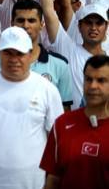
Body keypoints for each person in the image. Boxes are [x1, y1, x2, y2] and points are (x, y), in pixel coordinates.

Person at [0, 26, 63, 189]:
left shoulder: (47, 90)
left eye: (19, 53)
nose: (14, 59)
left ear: (30, 54)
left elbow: (56, 140)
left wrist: (51, 183)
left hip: (34, 184)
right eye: (8, 53)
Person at [40, 0, 108, 107]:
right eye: (88, 22)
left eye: (99, 23)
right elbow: (48, 11)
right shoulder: (68, 50)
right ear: (79, 26)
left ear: (106, 26)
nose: (94, 28)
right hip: (74, 120)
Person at [0, 0, 73, 108]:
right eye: (20, 20)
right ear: (12, 23)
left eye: (31, 20)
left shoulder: (60, 65)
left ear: (41, 24)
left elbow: (64, 111)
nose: (25, 25)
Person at [40, 54, 109, 188]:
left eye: (101, 80)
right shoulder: (61, 124)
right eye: (88, 79)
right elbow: (53, 178)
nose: (93, 86)